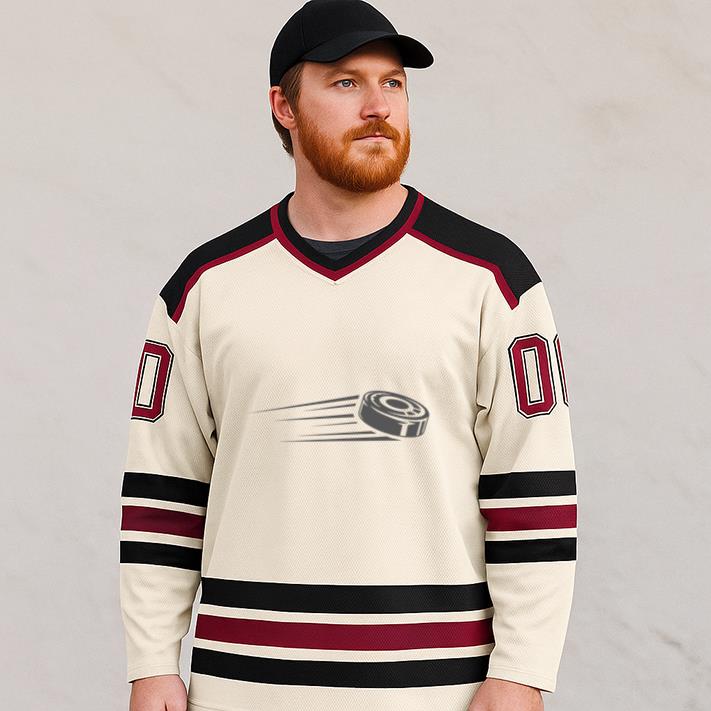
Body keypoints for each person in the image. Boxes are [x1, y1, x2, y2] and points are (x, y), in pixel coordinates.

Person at [118, 1, 578, 710]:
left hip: (437, 688)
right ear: (284, 106)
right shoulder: (206, 285)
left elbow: (533, 493)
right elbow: (164, 494)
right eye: (345, 83)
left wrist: (521, 670)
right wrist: (151, 663)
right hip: (244, 686)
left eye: (393, 83)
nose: (377, 106)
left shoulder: (490, 277)